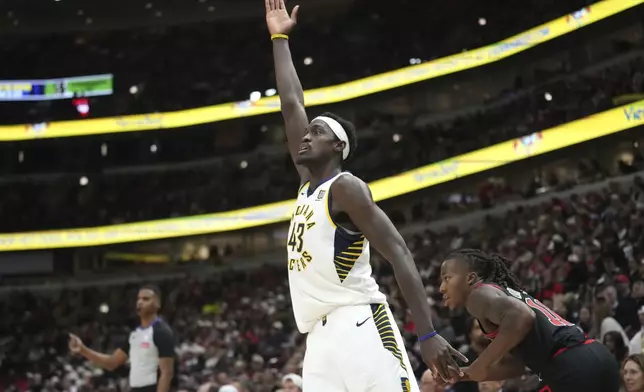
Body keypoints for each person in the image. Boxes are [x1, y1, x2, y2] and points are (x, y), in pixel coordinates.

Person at [264, 0, 467, 390]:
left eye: (317, 132)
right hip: (318, 339)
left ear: (338, 146)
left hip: (358, 320)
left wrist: (426, 335)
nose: (305, 136)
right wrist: (279, 39)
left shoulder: (345, 187)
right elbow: (292, 104)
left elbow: (398, 252)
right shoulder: (307, 187)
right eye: (306, 132)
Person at [439, 249, 620, 392]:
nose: (441, 288)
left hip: (569, 366)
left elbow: (522, 317)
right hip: (596, 356)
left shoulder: (477, 295)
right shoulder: (497, 296)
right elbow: (517, 367)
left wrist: (480, 364)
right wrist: (468, 373)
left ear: (470, 278)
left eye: (447, 279)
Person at [69, 285, 176, 392]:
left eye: (146, 299)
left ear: (157, 304)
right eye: (138, 299)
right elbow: (112, 363)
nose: (140, 302)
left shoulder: (162, 332)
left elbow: (167, 373)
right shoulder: (134, 334)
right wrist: (83, 349)